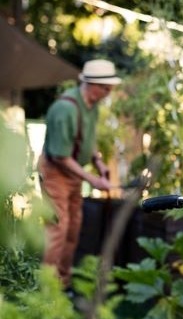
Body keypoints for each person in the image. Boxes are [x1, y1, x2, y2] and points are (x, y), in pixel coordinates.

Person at [38, 59, 121, 289]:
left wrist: (98, 162)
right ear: (93, 84)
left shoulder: (91, 106)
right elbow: (60, 156)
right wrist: (93, 180)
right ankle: (44, 290)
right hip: (56, 171)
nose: (109, 92)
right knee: (57, 229)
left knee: (73, 227)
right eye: (106, 88)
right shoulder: (65, 108)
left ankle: (62, 284)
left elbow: (88, 138)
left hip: (74, 172)